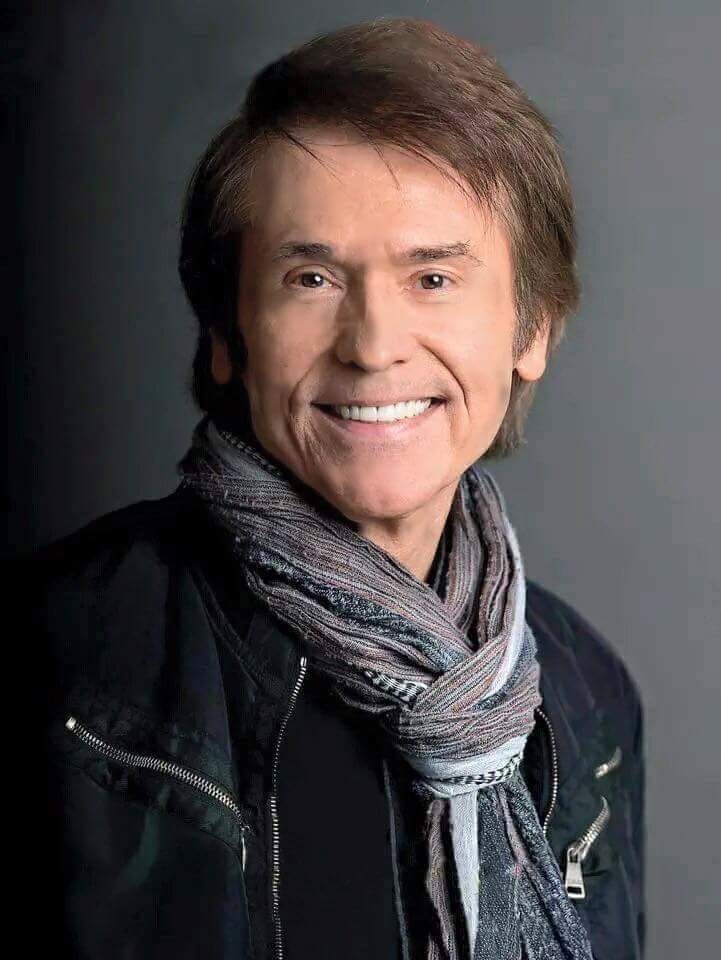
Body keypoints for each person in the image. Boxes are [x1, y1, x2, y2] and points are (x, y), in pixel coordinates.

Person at [13, 16, 645, 960]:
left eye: (433, 278)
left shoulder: (589, 694)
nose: (372, 345)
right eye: (310, 278)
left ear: (532, 330)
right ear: (227, 335)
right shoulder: (54, 658)